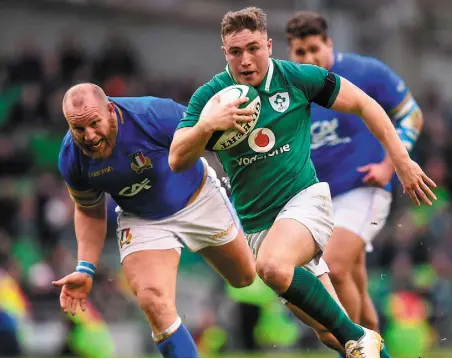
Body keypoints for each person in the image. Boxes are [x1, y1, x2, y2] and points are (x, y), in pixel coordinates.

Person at [169, 6, 436, 358]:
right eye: (236, 52)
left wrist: (400, 162)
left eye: (253, 48)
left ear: (268, 45)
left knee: (272, 267)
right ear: (225, 53)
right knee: (330, 331)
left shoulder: (297, 78)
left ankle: (358, 333)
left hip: (306, 203)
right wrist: (206, 126)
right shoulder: (212, 97)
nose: (246, 59)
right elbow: (176, 158)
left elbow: (365, 104)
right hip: (259, 225)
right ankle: (364, 342)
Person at [51, 83, 256, 358]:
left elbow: (212, 136)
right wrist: (85, 268)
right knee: (152, 299)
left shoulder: (153, 115)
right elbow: (89, 209)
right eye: (78, 129)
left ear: (110, 110)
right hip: (141, 218)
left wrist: (211, 126)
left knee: (245, 278)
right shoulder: (71, 158)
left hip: (198, 198)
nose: (88, 135)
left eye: (94, 123)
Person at [285, 9, 425, 353]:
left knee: (332, 268)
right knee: (355, 283)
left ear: (329, 43)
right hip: (319, 201)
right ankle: (377, 350)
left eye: (315, 48)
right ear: (290, 52)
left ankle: (354, 347)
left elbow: (412, 115)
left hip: (365, 190)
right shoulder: (288, 88)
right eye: (300, 52)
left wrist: (391, 163)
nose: (309, 58)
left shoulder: (365, 72)